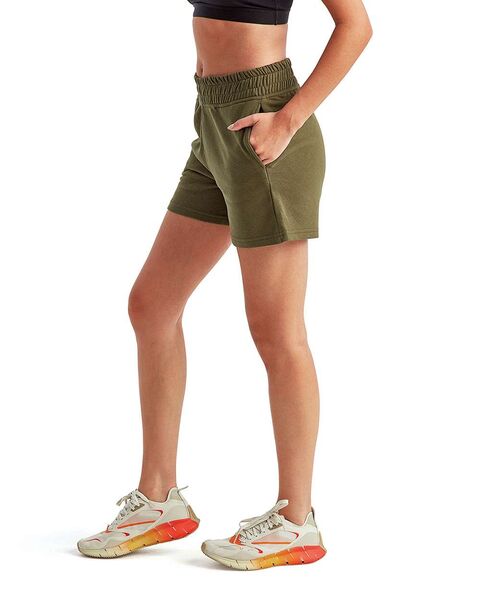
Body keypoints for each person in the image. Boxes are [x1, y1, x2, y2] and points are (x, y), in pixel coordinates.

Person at [77, 0, 372, 569]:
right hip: (213, 126)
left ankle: (296, 521)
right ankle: (159, 498)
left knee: (276, 332)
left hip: (266, 124)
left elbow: (356, 26)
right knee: (152, 305)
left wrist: (288, 120)